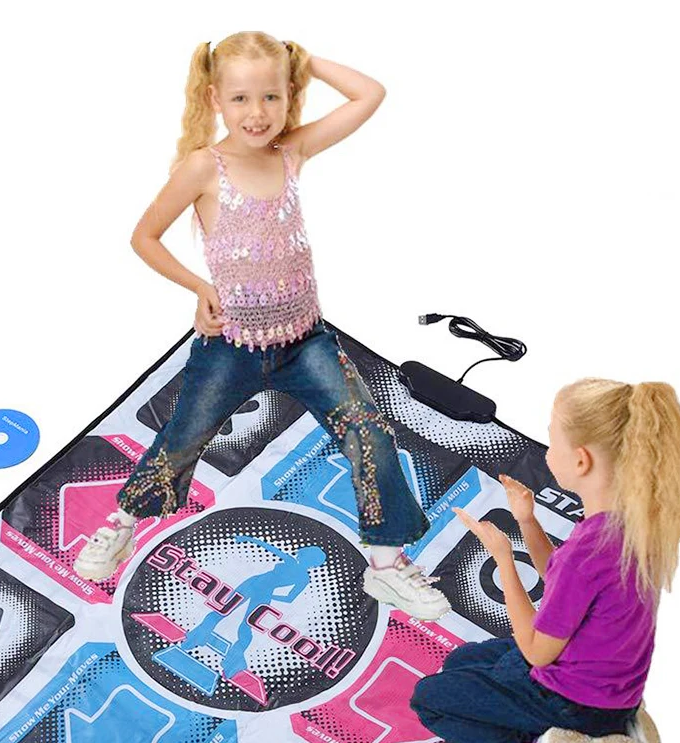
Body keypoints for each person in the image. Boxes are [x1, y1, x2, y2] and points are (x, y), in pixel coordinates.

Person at [74, 32, 447, 619]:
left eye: (271, 96)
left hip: (305, 340)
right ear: (216, 99)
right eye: (241, 98)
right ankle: (121, 524)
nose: (258, 113)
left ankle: (385, 565)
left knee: (367, 430)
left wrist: (304, 60)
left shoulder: (291, 151)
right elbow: (144, 237)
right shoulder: (205, 166)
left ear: (289, 96)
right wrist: (199, 287)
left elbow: (369, 94)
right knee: (182, 437)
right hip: (231, 345)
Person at [410, 379, 680, 743]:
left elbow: (537, 652)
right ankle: (622, 723)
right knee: (461, 661)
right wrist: (526, 520)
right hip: (611, 689)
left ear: (581, 461)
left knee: (430, 699)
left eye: (552, 441)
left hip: (571, 700)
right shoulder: (625, 527)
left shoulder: (591, 551)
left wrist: (503, 558)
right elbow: (558, 578)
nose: (548, 453)